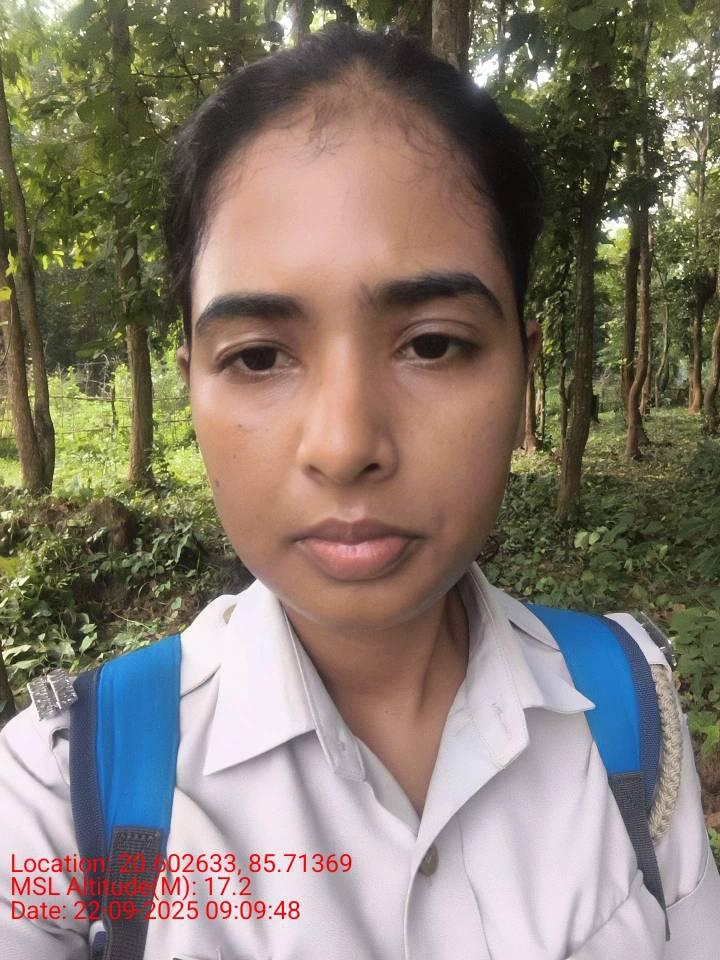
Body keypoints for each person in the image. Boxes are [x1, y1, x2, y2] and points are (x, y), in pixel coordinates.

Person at [1, 23, 718, 960]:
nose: (344, 447)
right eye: (258, 357)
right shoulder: (67, 800)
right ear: (192, 389)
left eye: (432, 344)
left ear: (522, 370)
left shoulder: (632, 709)